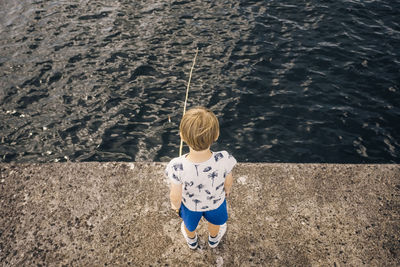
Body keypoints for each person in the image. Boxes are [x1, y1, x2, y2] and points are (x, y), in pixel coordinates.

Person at [165, 106, 237, 249]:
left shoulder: (176, 165)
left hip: (191, 206)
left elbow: (175, 195)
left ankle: (192, 241)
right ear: (216, 135)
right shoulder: (224, 158)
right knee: (215, 223)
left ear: (182, 136)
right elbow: (229, 179)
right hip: (216, 202)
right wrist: (227, 189)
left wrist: (175, 206)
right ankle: (213, 240)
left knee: (189, 225)